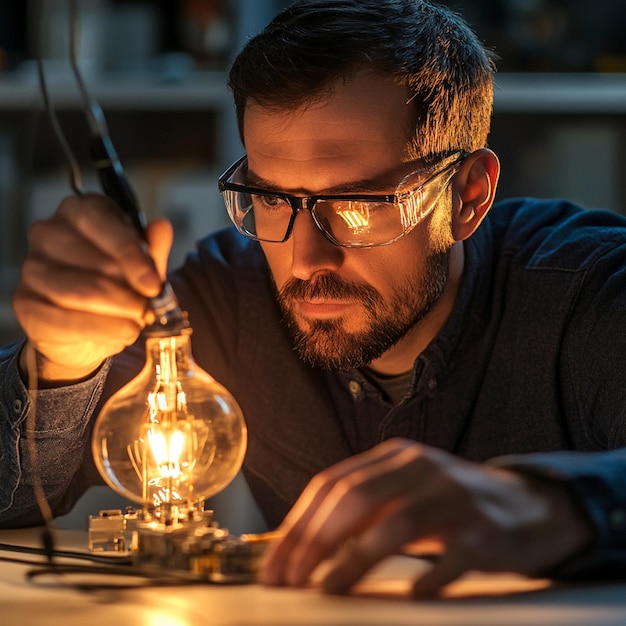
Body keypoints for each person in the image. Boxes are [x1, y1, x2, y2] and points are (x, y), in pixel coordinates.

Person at [1, 0, 626, 597]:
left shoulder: (590, 291)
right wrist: (59, 364)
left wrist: (551, 503)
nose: (305, 261)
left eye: (357, 204)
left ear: (467, 195)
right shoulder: (226, 298)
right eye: (273, 198)